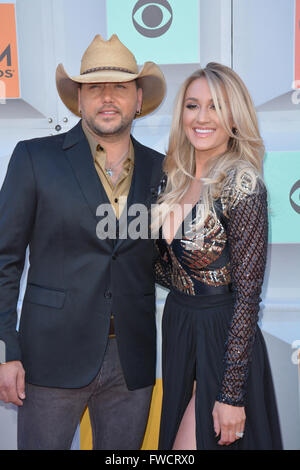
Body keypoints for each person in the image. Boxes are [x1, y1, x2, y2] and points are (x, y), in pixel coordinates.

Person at [0, 34, 166, 450]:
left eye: (120, 87)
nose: (107, 97)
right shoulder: (34, 158)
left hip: (131, 361)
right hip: (49, 358)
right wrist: (6, 349)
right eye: (95, 87)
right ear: (79, 99)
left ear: (139, 99)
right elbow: (4, 260)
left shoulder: (162, 170)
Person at [152, 63, 283, 450]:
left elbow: (247, 298)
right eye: (193, 105)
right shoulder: (172, 180)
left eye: (216, 107)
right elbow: (168, 270)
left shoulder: (243, 184)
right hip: (179, 328)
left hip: (222, 336)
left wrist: (231, 395)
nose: (202, 117)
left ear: (235, 117)